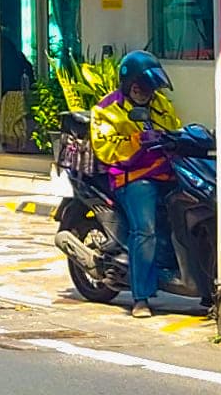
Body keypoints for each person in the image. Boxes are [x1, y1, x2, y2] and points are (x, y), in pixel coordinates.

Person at [79, 47, 184, 315]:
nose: (145, 93)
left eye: (149, 88)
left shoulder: (160, 104)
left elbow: (174, 128)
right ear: (128, 85)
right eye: (140, 87)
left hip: (166, 171)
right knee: (145, 229)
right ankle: (141, 297)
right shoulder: (106, 110)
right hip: (133, 178)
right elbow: (107, 149)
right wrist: (138, 142)